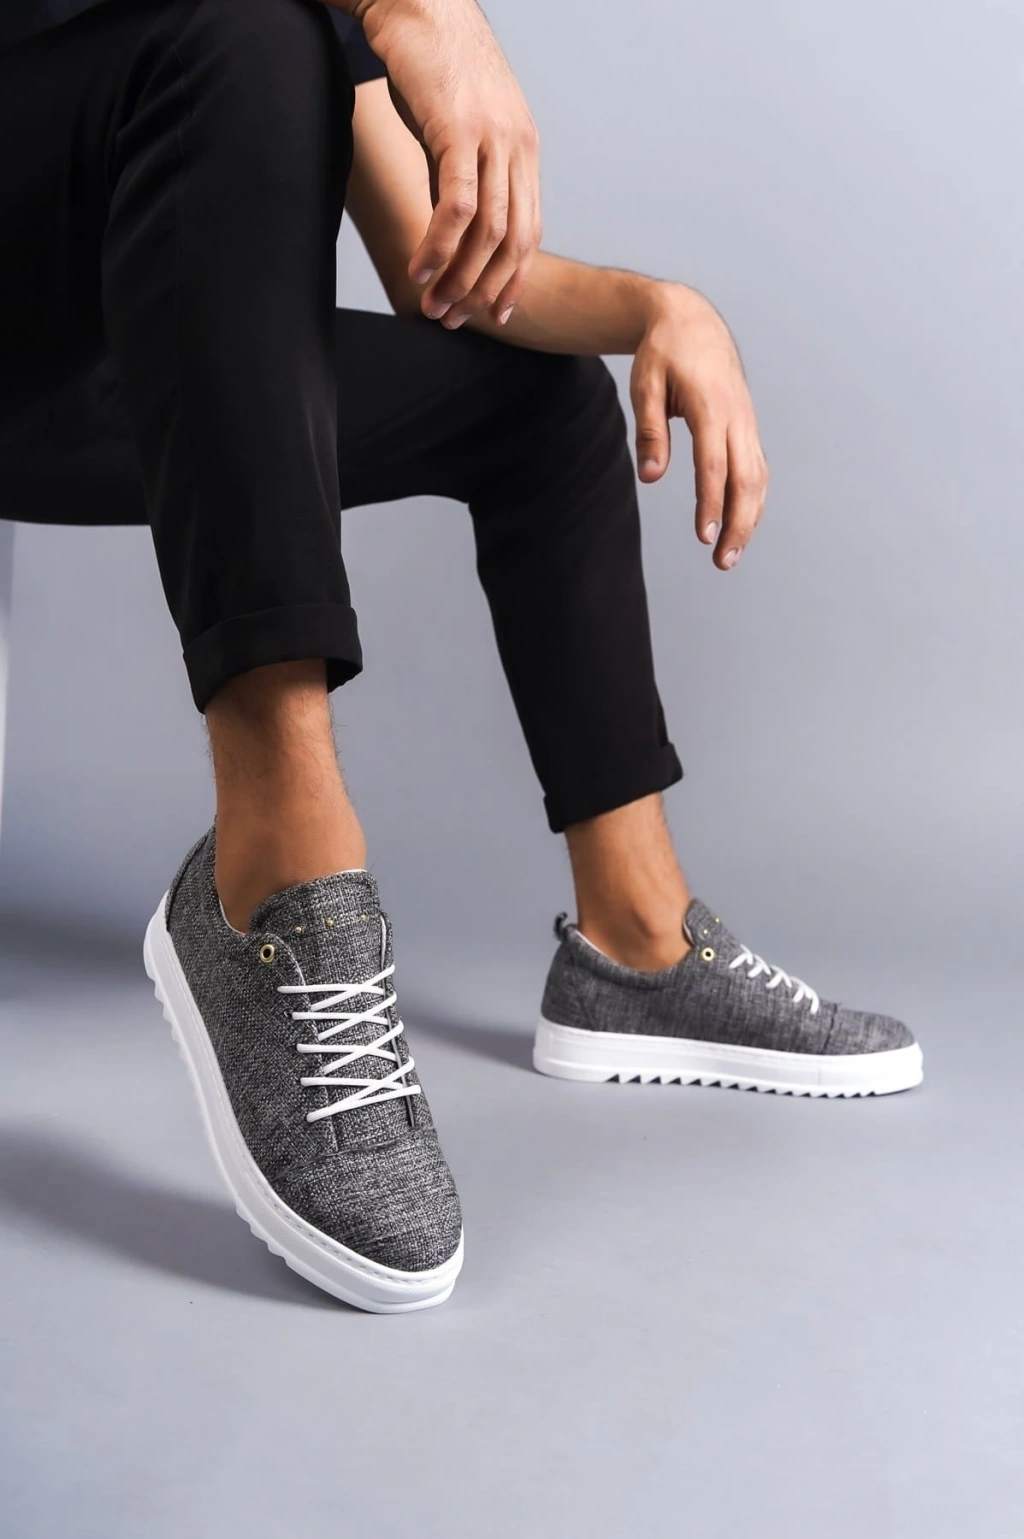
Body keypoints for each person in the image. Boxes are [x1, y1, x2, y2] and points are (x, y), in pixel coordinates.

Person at [0, 0, 923, 1314]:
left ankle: (635, 943)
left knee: (545, 403)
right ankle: (276, 870)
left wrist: (665, 308)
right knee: (242, 28)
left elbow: (452, 272)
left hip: (132, 372)